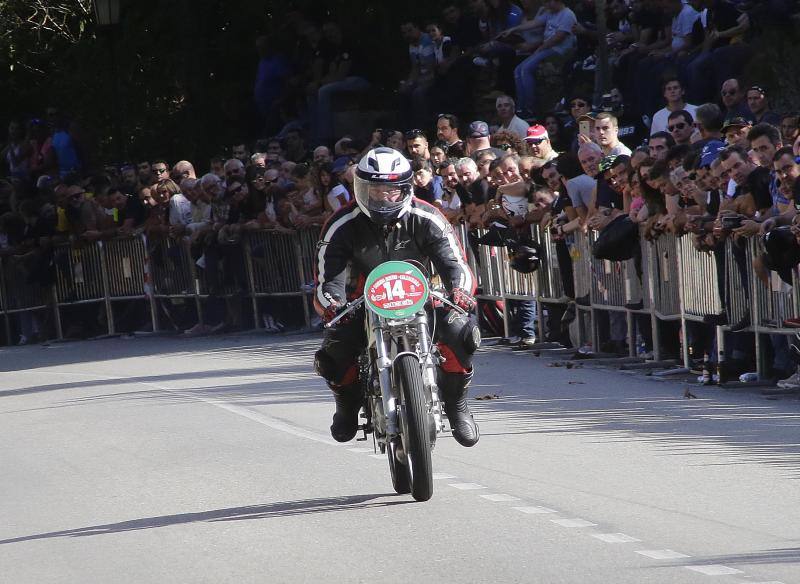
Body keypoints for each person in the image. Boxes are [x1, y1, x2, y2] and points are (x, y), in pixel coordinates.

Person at [313, 147, 480, 447]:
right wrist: (334, 305)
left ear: (407, 188)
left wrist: (460, 292)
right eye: (374, 190)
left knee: (464, 333)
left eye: (391, 191)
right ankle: (347, 406)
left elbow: (456, 263)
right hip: (361, 303)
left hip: (423, 295)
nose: (383, 197)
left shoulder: (428, 216)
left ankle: (457, 405)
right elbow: (328, 280)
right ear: (359, 188)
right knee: (331, 354)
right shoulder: (341, 224)